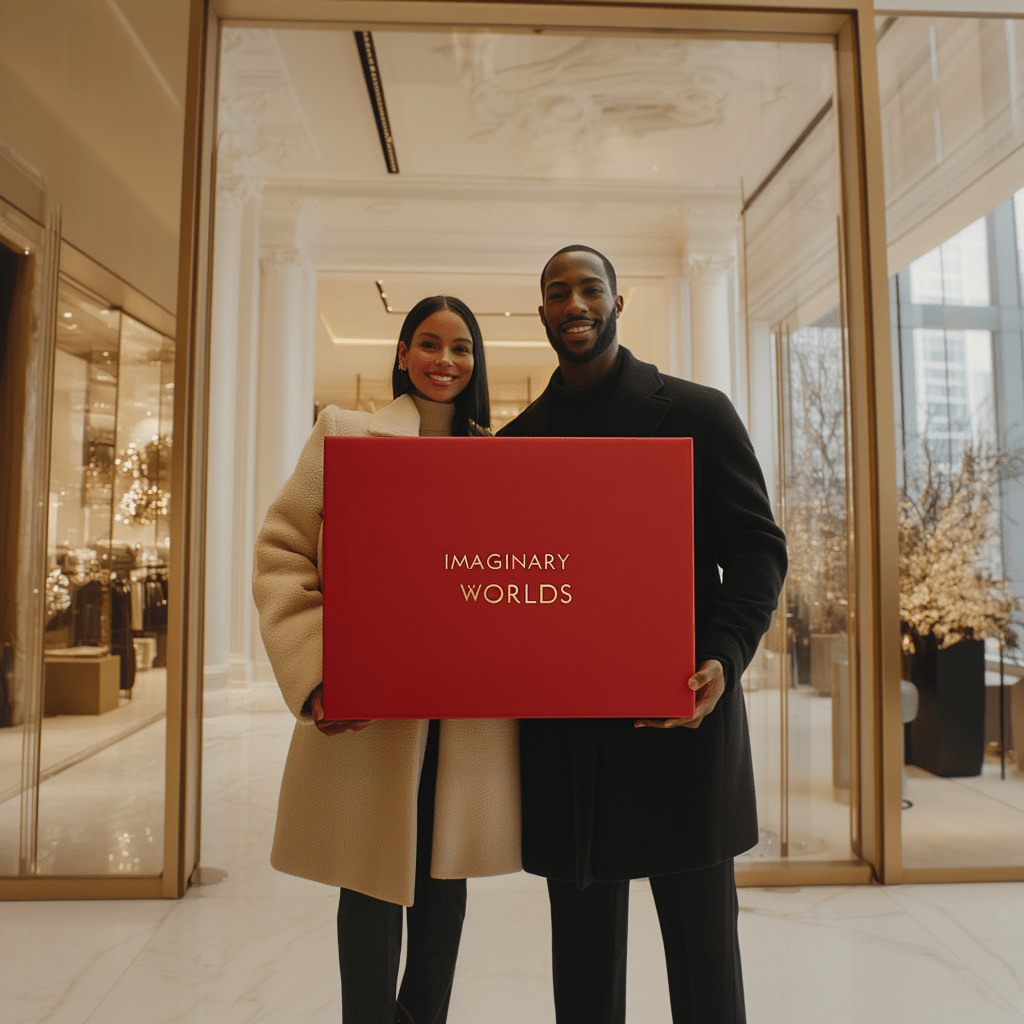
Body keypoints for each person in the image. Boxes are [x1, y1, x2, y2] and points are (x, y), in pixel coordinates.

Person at [498, 245, 787, 1024]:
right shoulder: (515, 446)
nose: (574, 305)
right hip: (568, 753)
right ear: (542, 312)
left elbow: (757, 552)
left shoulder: (698, 414)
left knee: (706, 977)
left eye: (590, 289)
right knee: (584, 985)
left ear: (618, 302)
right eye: (557, 292)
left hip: (680, 727)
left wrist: (724, 656)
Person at [253, 295, 521, 1024]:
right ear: (402, 354)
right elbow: (282, 554)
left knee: (445, 889)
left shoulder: (500, 457)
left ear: (476, 362)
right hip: (371, 713)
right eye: (428, 343)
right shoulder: (343, 433)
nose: (445, 360)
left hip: (466, 718)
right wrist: (317, 677)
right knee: (371, 883)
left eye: (461, 347)